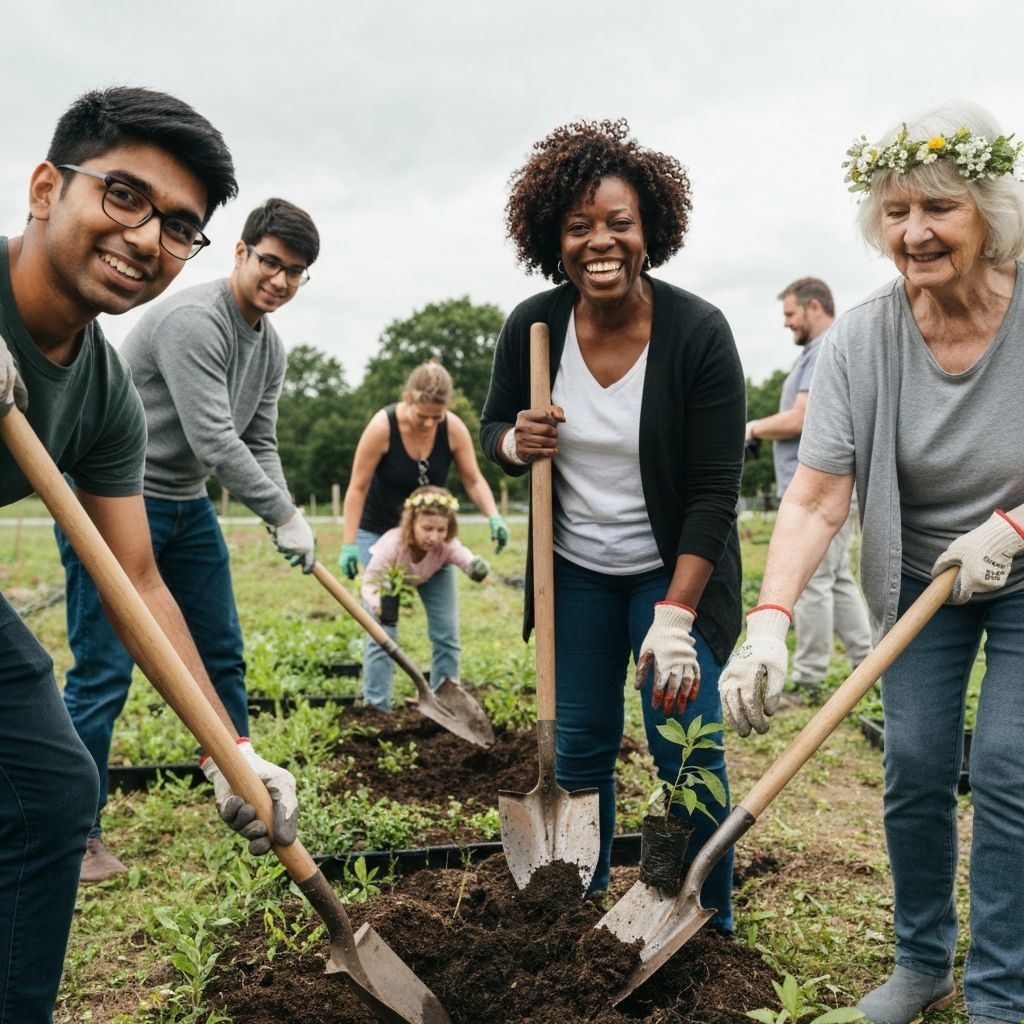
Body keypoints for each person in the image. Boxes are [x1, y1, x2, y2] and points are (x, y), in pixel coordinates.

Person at [719, 102, 1024, 1024]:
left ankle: (1003, 991)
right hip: (922, 578)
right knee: (916, 763)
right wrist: (769, 621)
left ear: (990, 215)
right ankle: (921, 964)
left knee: (1012, 763)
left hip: (1022, 565)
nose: (915, 231)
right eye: (896, 212)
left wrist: (1014, 529)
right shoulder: (859, 339)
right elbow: (815, 496)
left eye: (939, 207)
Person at [0, 86, 298, 1024]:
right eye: (123, 196)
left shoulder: (101, 397)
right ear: (48, 188)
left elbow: (134, 578)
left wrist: (230, 752)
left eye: (178, 226)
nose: (145, 237)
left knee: (52, 783)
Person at [480, 119, 745, 921]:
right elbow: (495, 428)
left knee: (683, 748)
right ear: (552, 239)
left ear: (649, 231)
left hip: (673, 573)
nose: (601, 242)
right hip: (577, 576)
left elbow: (712, 495)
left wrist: (676, 617)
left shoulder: (698, 334)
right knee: (580, 750)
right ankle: (583, 909)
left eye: (619, 224)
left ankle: (708, 917)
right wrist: (513, 442)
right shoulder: (533, 323)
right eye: (579, 226)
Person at [56, 198, 320, 883]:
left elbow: (258, 440)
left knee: (221, 652)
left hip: (185, 503)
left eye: (295, 273)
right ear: (240, 252)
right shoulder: (192, 321)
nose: (280, 281)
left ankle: (238, 778)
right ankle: (75, 834)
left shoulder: (270, 346)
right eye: (270, 262)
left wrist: (282, 511)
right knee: (104, 672)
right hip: (114, 498)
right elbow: (216, 439)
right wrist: (283, 511)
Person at [340, 361, 509, 708]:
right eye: (423, 416)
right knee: (383, 629)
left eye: (438, 415)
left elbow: (473, 479)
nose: (431, 423)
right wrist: (348, 543)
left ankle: (448, 705)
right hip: (381, 538)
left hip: (433, 541)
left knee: (446, 633)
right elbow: (357, 487)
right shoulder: (382, 427)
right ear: (407, 399)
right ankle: (377, 707)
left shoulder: (453, 429)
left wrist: (493, 516)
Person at [745, 277, 872, 700]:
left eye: (789, 314)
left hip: (823, 494)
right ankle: (868, 664)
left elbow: (801, 418)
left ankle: (810, 678)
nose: (786, 324)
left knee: (814, 583)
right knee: (836, 580)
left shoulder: (825, 351)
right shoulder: (821, 351)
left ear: (813, 307)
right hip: (832, 492)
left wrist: (752, 428)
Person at [361, 486, 490, 699]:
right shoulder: (393, 545)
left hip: (430, 574)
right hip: (390, 580)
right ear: (411, 523)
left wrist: (475, 566)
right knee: (382, 637)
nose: (434, 537)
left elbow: (462, 555)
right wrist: (377, 604)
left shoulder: (445, 544)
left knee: (447, 634)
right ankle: (377, 704)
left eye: (441, 530)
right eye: (427, 528)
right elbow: (370, 581)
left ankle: (446, 699)